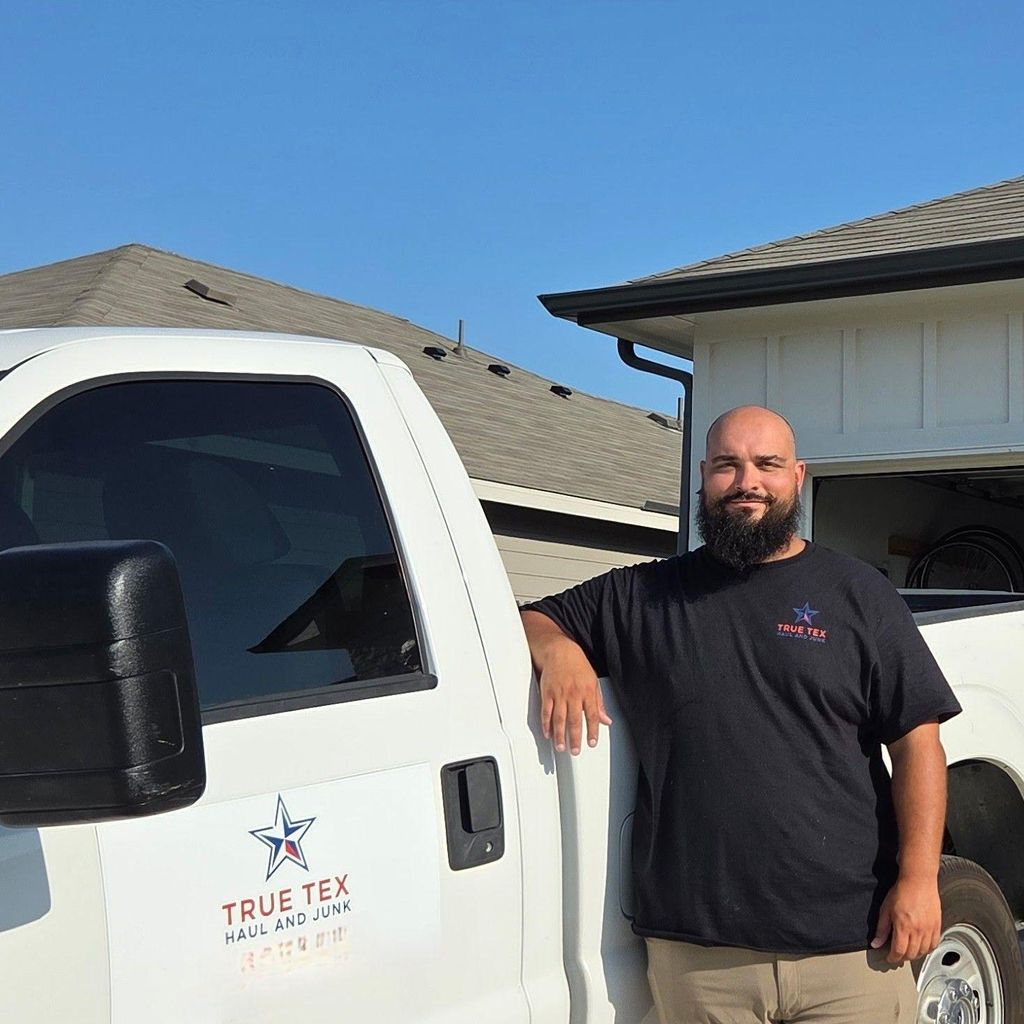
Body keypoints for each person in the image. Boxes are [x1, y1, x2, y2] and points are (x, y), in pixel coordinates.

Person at [520, 405, 962, 1024]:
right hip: (699, 958)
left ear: (797, 477)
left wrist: (918, 880)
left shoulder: (858, 593)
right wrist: (558, 649)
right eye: (727, 465)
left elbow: (918, 744)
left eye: (767, 464)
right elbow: (531, 617)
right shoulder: (643, 596)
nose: (746, 481)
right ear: (703, 477)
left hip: (853, 947)